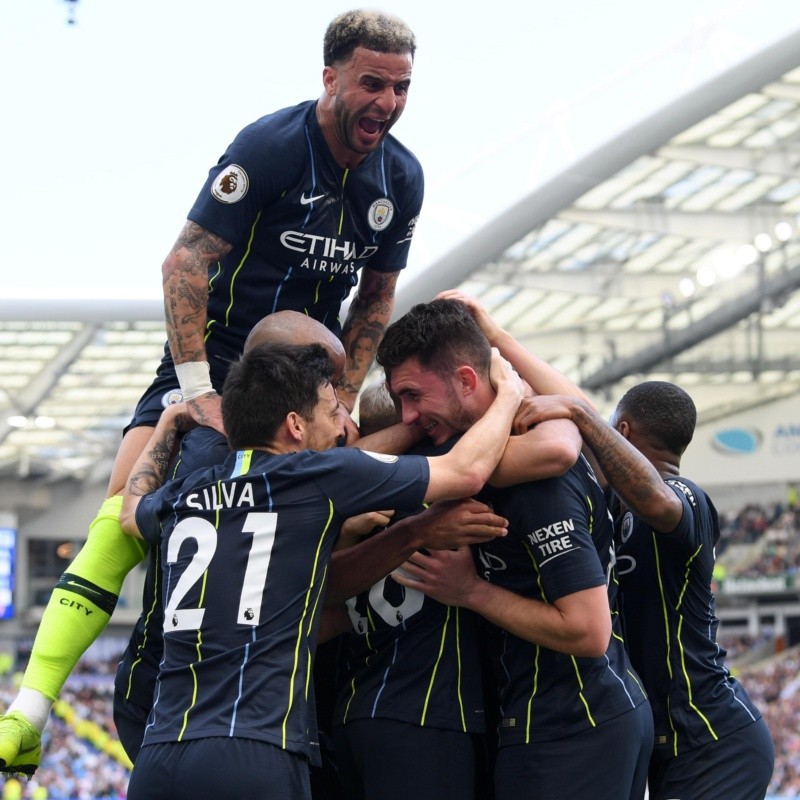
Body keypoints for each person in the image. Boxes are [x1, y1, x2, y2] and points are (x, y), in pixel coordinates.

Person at [0, 8, 423, 775]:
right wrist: (197, 390)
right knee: (123, 507)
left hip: (303, 375)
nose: (387, 104)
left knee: (334, 503)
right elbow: (183, 265)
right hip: (216, 358)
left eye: (401, 88)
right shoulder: (269, 146)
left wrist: (343, 400)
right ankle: (29, 709)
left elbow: (376, 301)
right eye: (372, 84)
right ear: (330, 79)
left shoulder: (402, 178)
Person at [119, 339, 523, 800]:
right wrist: (507, 392)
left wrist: (168, 422)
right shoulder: (318, 475)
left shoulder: (187, 492)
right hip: (252, 751)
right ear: (294, 425)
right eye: (332, 412)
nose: (342, 429)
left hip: (158, 756)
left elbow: (130, 511)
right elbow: (467, 471)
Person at [381, 298, 653, 800]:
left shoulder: (533, 479)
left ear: (467, 380)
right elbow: (582, 425)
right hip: (581, 716)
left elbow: (588, 630)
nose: (410, 416)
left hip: (571, 724)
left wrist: (470, 591)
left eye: (414, 395)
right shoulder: (514, 439)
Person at [517, 381, 775, 800]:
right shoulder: (612, 508)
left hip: (713, 738)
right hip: (672, 746)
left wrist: (583, 416)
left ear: (623, 431)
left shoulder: (684, 495)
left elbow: (656, 497)